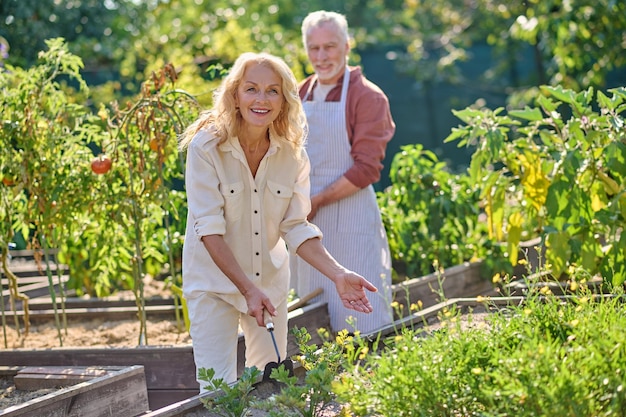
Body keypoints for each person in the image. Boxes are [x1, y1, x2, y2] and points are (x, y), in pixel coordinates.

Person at [178, 52, 378, 388]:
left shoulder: (291, 153)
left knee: (271, 385)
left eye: (273, 91)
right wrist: (247, 289)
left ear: (284, 100)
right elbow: (209, 231)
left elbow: (296, 225)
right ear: (235, 95)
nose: (262, 99)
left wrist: (338, 274)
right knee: (218, 391)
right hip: (212, 286)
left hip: (268, 285)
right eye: (251, 89)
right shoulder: (207, 146)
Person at [292, 10, 395, 334]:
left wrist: (317, 199)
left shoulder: (367, 96)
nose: (322, 57)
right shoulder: (297, 95)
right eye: (314, 48)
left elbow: (366, 168)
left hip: (349, 215)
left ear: (347, 45)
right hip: (303, 219)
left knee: (361, 321)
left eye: (330, 46)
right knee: (308, 313)